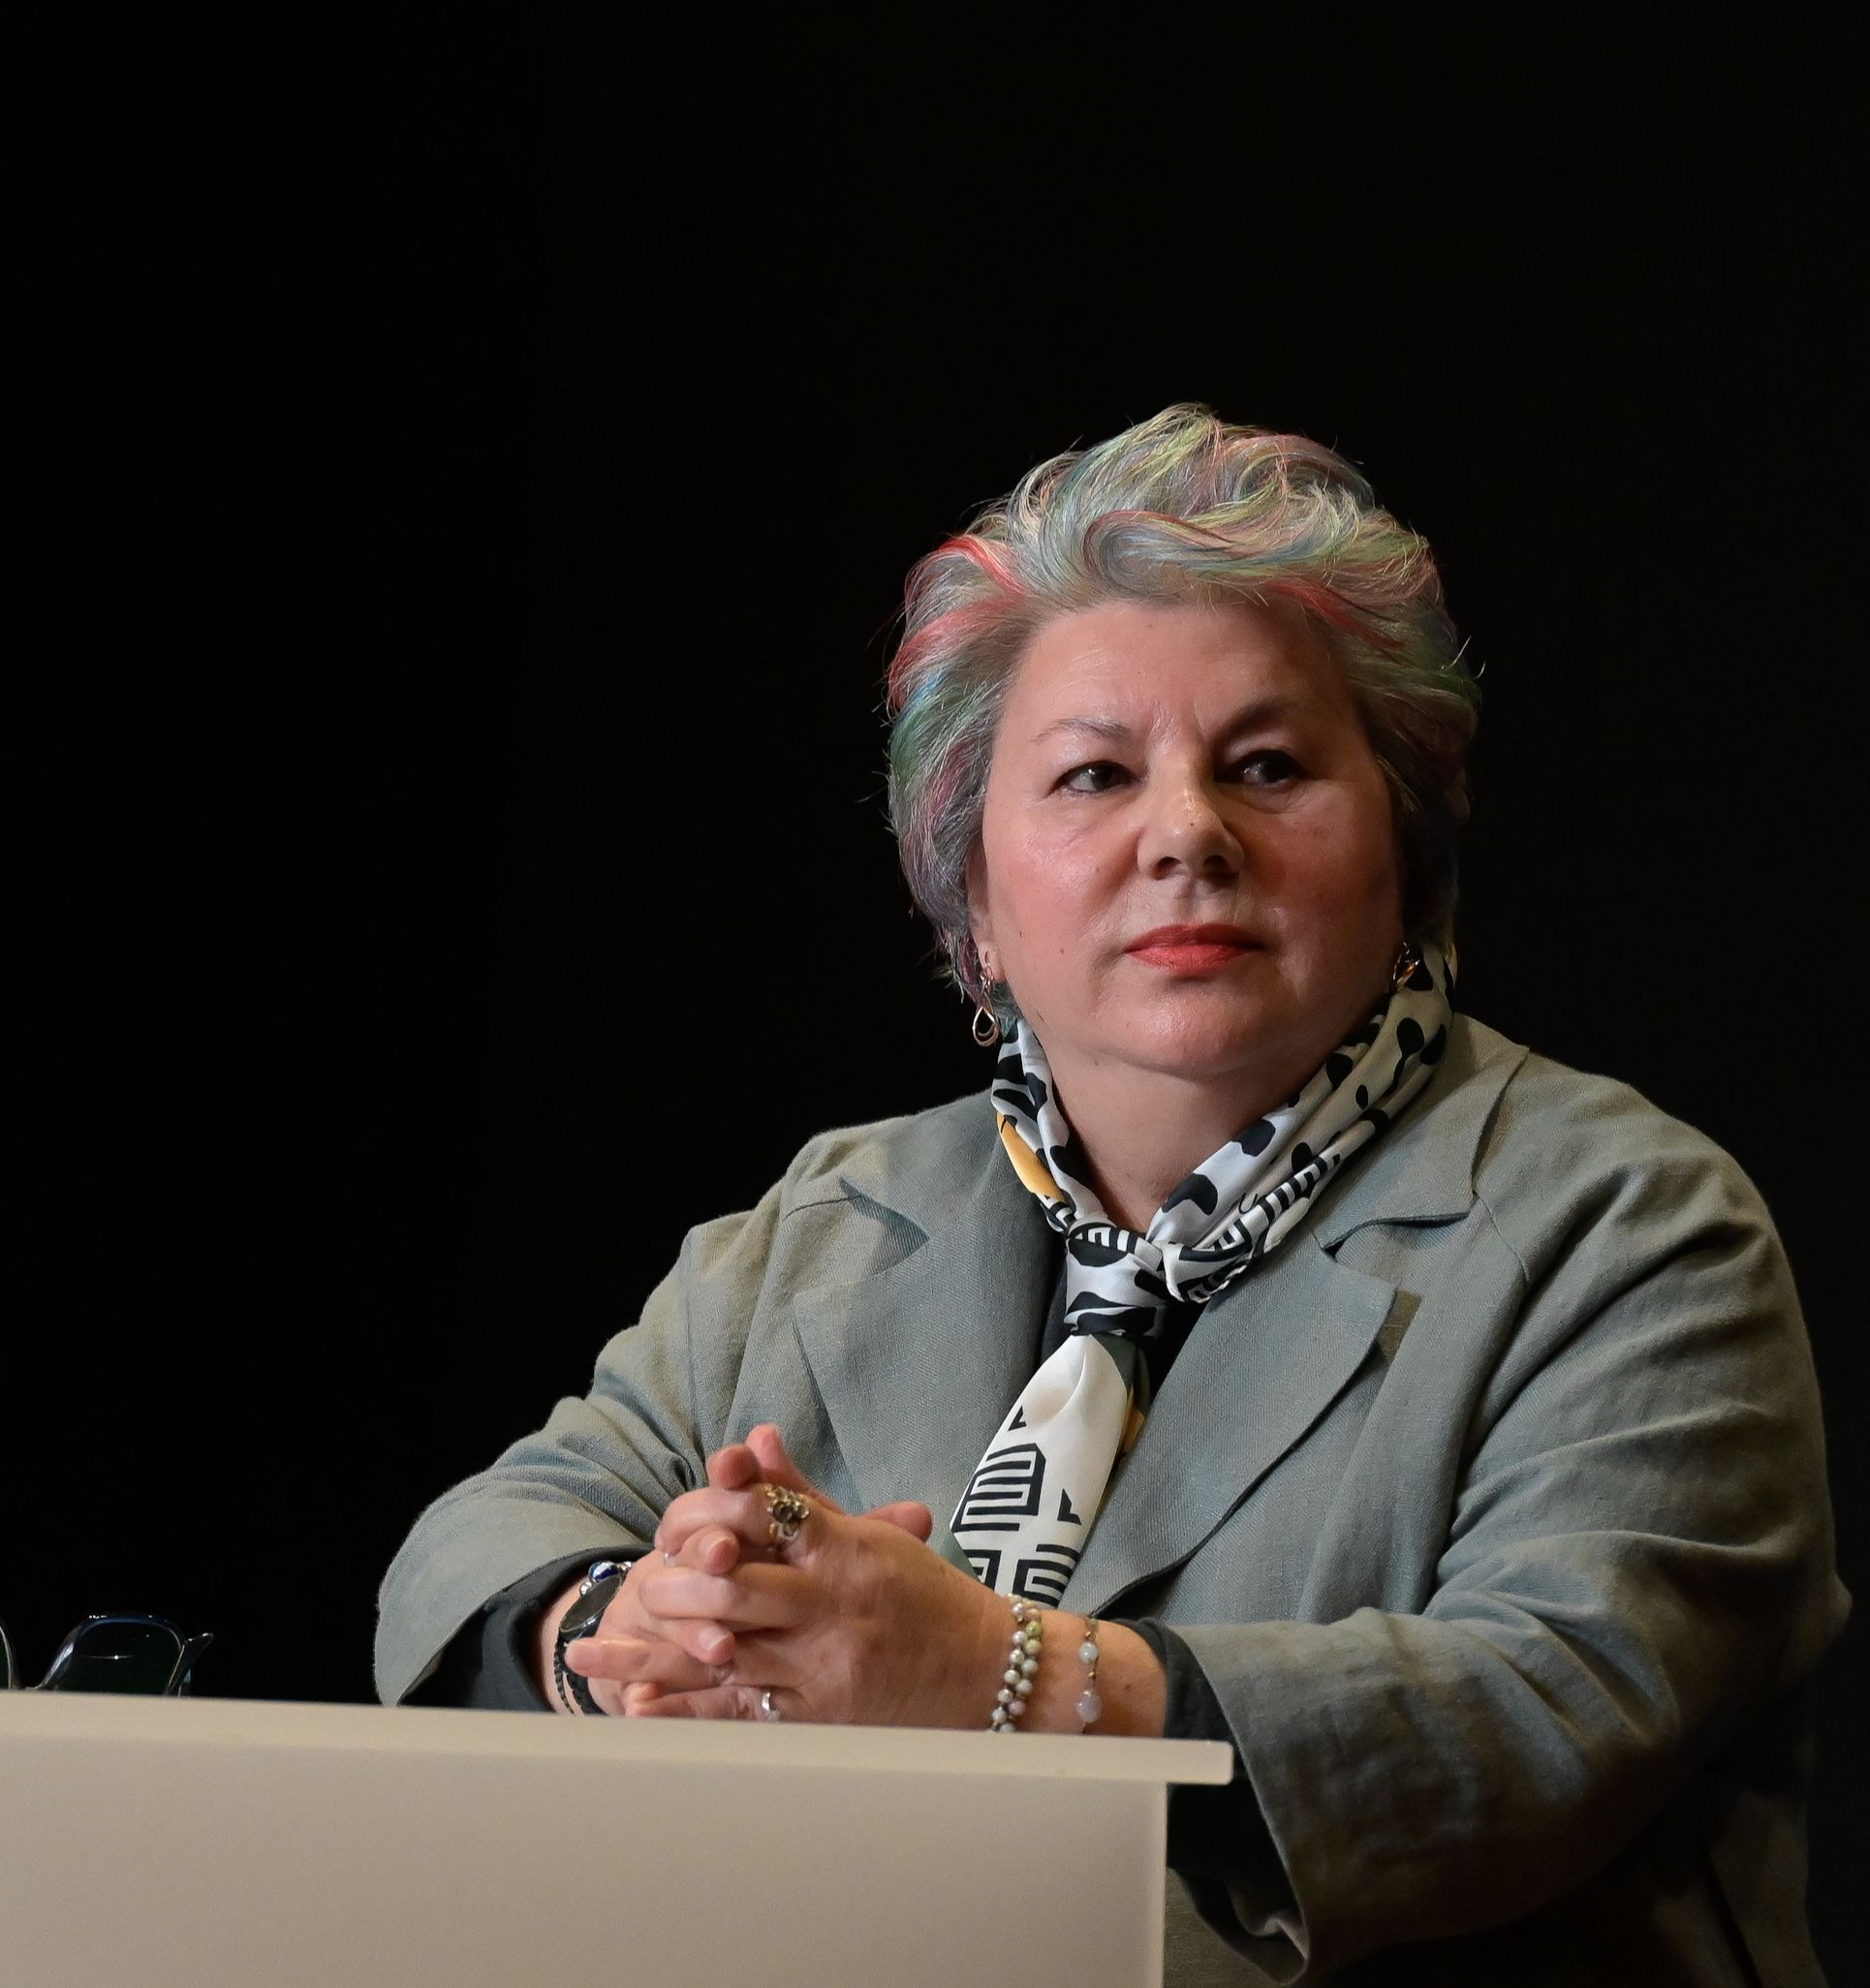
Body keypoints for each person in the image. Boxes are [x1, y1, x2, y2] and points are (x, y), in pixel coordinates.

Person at [375, 408, 1841, 1981]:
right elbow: (482, 1537)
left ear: (1406, 851)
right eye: (1091, 774)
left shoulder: (1623, 1224)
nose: (1185, 836)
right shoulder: (837, 1214)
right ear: (975, 896)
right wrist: (624, 1629)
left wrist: (1009, 1678)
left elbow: (1545, 1714)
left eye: (1265, 765)